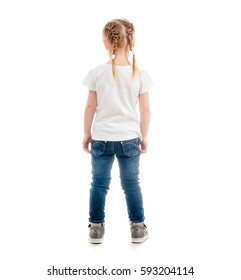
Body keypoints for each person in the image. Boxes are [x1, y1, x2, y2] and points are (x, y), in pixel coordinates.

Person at [82, 18, 153, 244]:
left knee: (99, 183)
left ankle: (95, 227)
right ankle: (138, 227)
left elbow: (90, 107)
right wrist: (145, 135)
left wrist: (86, 133)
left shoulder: (97, 73)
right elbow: (146, 109)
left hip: (102, 138)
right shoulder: (140, 75)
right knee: (131, 183)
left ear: (107, 43)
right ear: (130, 41)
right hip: (130, 139)